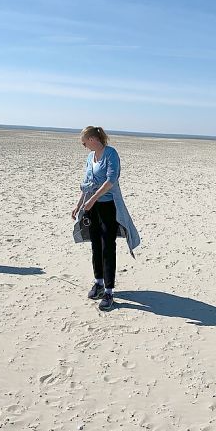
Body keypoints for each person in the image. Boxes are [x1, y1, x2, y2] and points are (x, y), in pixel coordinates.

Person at [72, 126, 140, 311]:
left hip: (109, 207)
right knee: (95, 245)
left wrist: (93, 200)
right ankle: (98, 283)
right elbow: (87, 185)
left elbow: (111, 180)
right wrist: (79, 204)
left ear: (93, 138)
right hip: (92, 207)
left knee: (107, 247)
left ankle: (109, 291)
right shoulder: (90, 157)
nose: (83, 145)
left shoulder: (111, 154)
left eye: (84, 141)